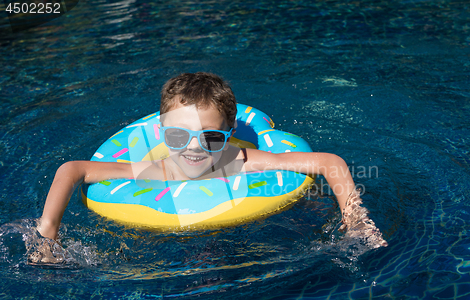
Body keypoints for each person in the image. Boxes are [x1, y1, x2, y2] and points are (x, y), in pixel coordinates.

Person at [36, 72, 388, 250]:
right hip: (182, 243)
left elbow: (330, 163)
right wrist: (47, 238)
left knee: (311, 212)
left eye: (211, 138)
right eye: (177, 136)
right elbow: (72, 170)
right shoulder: (155, 170)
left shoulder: (240, 160)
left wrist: (356, 220)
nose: (194, 150)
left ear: (230, 131)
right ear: (160, 132)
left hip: (252, 235)